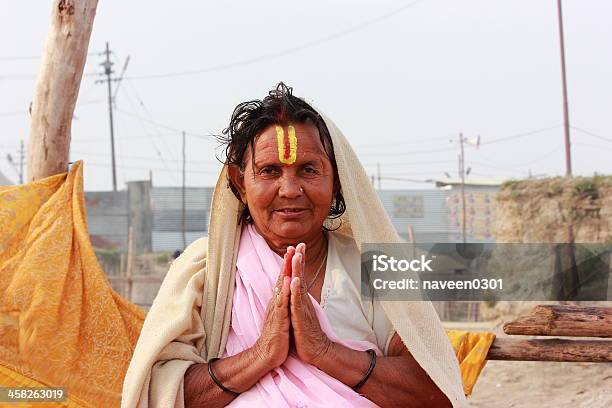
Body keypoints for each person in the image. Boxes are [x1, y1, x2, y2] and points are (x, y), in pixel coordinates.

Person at [121, 83, 468, 407]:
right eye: (270, 171)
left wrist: (325, 351)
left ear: (337, 181)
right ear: (239, 182)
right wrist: (260, 356)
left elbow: (436, 390)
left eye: (308, 170)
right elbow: (159, 394)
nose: (289, 189)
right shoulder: (204, 270)